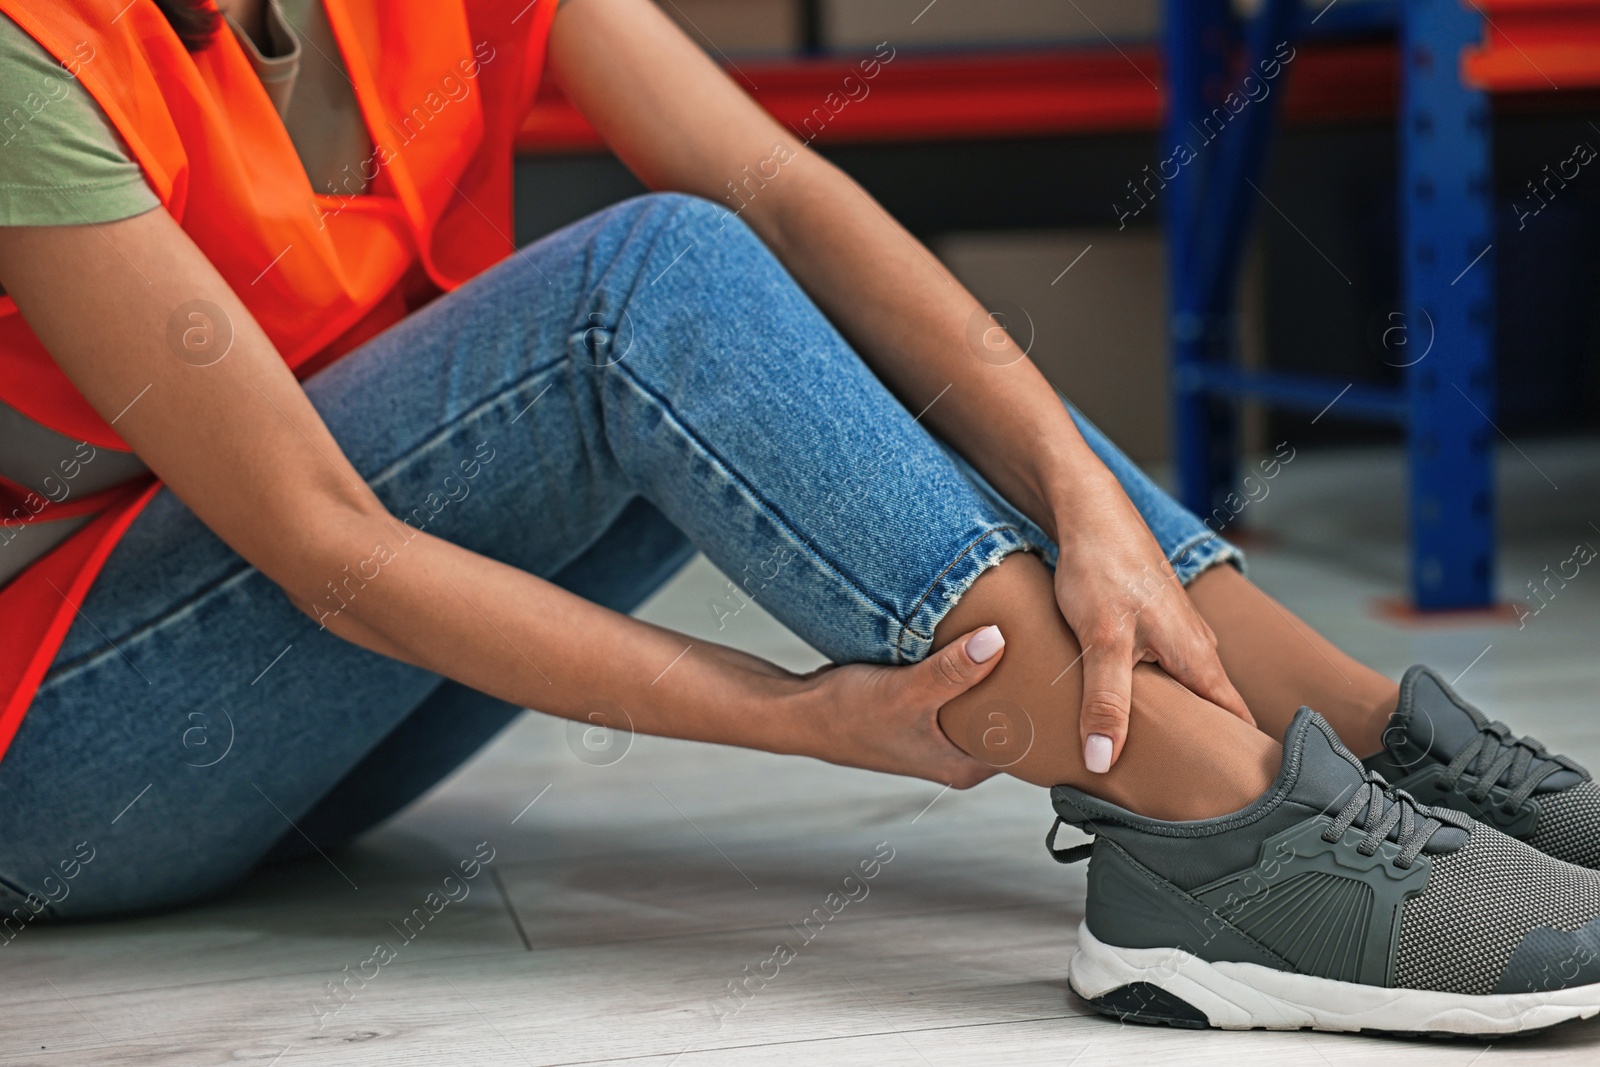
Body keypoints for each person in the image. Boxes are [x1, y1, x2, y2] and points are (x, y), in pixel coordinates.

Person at [1, 0, 1598, 1037]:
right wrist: (800, 719)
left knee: (787, 276)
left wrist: (1072, 485)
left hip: (319, 709)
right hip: (74, 760)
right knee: (644, 283)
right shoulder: (33, 47)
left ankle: (1369, 734)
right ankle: (1212, 825)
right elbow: (319, 538)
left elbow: (783, 191)